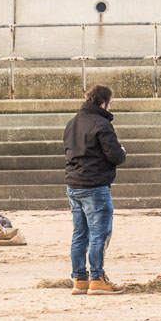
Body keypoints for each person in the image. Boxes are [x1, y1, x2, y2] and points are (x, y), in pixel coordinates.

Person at [64, 85, 127, 295]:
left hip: (74, 184)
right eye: (110, 103)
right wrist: (122, 152)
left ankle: (79, 279)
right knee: (99, 233)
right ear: (103, 102)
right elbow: (115, 155)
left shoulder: (72, 123)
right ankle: (97, 278)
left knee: (79, 234)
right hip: (95, 185)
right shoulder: (102, 123)